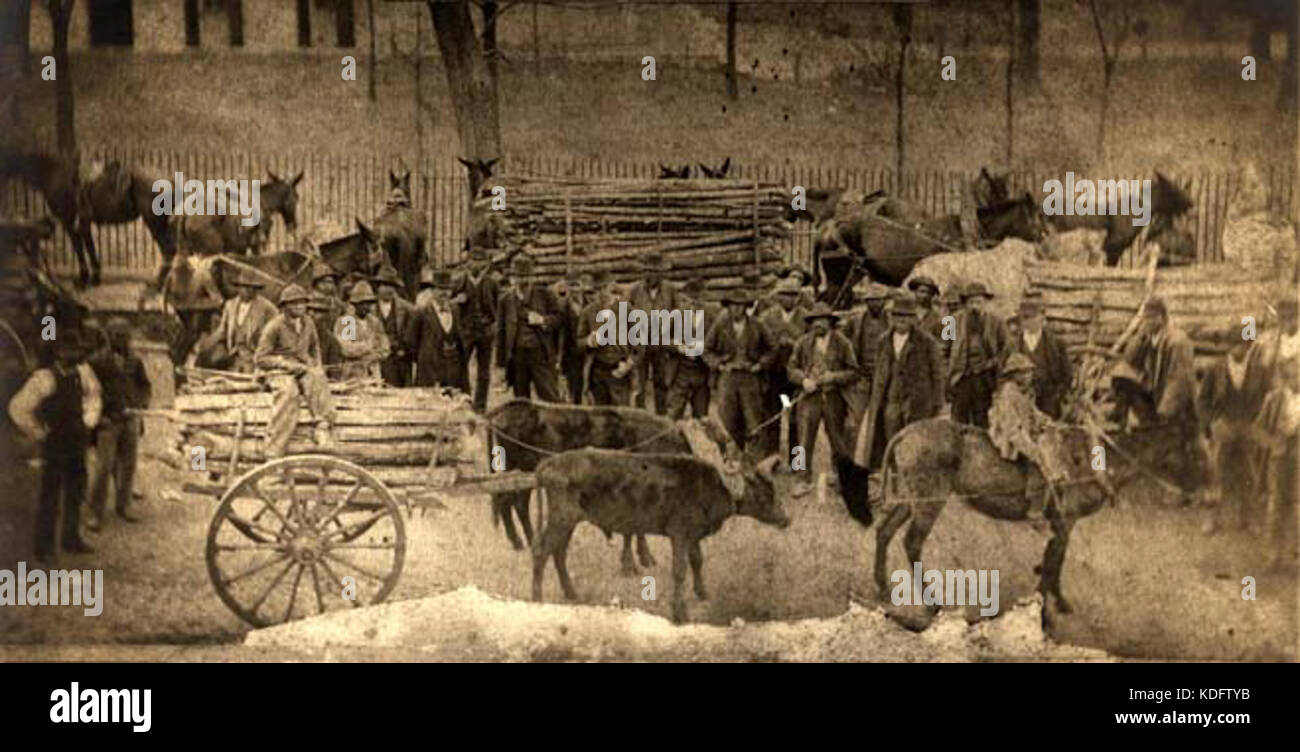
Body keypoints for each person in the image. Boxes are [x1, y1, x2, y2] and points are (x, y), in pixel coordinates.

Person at [8, 327, 102, 561]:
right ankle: (44, 548)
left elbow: (94, 396)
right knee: (50, 497)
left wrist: (89, 420)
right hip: (55, 445)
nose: (76, 354)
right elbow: (17, 408)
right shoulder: (45, 378)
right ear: (59, 352)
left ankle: (71, 538)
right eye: (70, 350)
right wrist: (39, 432)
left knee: (76, 492)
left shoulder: (83, 372)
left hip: (76, 442)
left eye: (78, 349)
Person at [1121, 296, 1207, 502]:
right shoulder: (1152, 339)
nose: (1147, 322)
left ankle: (1202, 490)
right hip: (1164, 399)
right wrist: (1139, 338)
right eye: (1144, 318)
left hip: (1181, 404)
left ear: (1162, 317)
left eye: (1151, 318)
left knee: (1189, 447)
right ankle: (1187, 493)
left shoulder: (1177, 342)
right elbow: (1129, 360)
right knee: (1175, 448)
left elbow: (1179, 379)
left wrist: (1165, 409)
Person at [852, 294, 945, 471]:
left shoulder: (927, 342)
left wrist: (938, 402)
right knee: (890, 440)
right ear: (892, 318)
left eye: (906, 316)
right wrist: (875, 399)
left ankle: (913, 479)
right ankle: (893, 478)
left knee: (915, 442)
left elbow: (938, 374)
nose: (901, 320)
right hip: (890, 401)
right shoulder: (883, 341)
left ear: (913, 319)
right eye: (898, 316)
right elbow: (878, 372)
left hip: (917, 401)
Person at [1199, 333, 1271, 534]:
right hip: (1224, 427)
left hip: (1248, 427)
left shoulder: (1258, 370)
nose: (1238, 349)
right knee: (1215, 473)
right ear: (1228, 345)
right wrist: (1213, 422)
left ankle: (1248, 518)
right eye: (1234, 344)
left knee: (1249, 473)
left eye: (1242, 344)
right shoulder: (1216, 368)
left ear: (1248, 346)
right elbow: (1203, 400)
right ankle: (1212, 518)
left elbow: (1268, 398)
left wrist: (1258, 421)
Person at [254, 284, 336, 458]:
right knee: (288, 392)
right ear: (284, 307)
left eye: (302, 303)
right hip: (277, 371)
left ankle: (321, 427)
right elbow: (260, 359)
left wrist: (316, 365)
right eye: (294, 303)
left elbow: (315, 348)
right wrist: (286, 365)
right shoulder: (274, 326)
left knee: (317, 377)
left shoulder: (308, 323)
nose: (300, 306)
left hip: (303, 369)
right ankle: (274, 449)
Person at [787, 302, 859, 495]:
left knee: (838, 439)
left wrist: (833, 377)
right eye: (814, 321)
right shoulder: (803, 342)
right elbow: (790, 369)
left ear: (830, 322)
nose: (818, 324)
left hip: (834, 397)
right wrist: (803, 380)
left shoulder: (843, 343)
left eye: (823, 320)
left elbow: (853, 372)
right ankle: (801, 479)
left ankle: (841, 477)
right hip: (809, 398)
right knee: (803, 439)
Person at [86, 317, 151, 530]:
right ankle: (94, 512)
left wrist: (140, 405)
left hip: (130, 420)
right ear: (108, 336)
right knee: (104, 467)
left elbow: (145, 386)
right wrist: (99, 417)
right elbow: (89, 394)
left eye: (126, 336)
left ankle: (124, 506)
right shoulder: (96, 362)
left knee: (128, 465)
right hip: (108, 422)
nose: (123, 341)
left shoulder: (135, 361)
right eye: (118, 336)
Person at [988, 353, 1070, 520]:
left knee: (1053, 443)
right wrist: (1030, 448)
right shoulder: (1008, 394)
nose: (1029, 376)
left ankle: (1056, 492)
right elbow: (1012, 428)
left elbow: (1034, 413)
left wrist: (1047, 422)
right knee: (1039, 459)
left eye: (1030, 372)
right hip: (1008, 436)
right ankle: (1034, 510)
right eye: (1024, 372)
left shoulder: (1024, 392)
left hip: (1024, 431)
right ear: (1014, 375)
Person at [703, 278, 779, 453]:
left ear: (746, 307)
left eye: (740, 305)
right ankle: (729, 457)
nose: (736, 309)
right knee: (727, 420)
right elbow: (706, 350)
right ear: (728, 306)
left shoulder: (757, 325)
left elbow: (773, 348)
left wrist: (760, 365)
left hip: (750, 378)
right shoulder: (720, 325)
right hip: (727, 378)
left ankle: (754, 460)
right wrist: (718, 365)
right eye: (733, 305)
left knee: (753, 421)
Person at [497, 254, 563, 401]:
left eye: (526, 276)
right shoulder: (505, 300)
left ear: (532, 277)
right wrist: (501, 364)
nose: (523, 281)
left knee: (550, 396)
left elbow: (559, 319)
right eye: (519, 277)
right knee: (521, 400)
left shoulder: (545, 295)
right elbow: (501, 332)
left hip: (540, 354)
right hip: (517, 356)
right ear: (513, 278)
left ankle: (553, 424)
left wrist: (542, 320)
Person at [1254, 355, 1299, 567]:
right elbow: (1258, 429)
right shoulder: (1274, 399)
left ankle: (1295, 553)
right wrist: (1273, 443)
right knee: (1275, 504)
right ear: (1285, 377)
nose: (1297, 380)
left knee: (1298, 506)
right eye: (1293, 376)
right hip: (1279, 459)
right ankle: (1273, 553)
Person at [948, 281, 1009, 428]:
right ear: (965, 303)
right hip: (960, 378)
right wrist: (948, 375)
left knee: (982, 420)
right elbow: (942, 349)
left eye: (978, 302)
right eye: (971, 302)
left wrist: (991, 363)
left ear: (985, 302)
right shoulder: (950, 321)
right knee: (957, 421)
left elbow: (1006, 350)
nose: (975, 306)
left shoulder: (997, 322)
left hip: (984, 379)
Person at [759, 276, 807, 452]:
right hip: (774, 376)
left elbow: (810, 345)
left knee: (797, 420)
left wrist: (793, 342)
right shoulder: (767, 317)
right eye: (785, 295)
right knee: (772, 417)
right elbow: (759, 344)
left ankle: (797, 463)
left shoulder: (806, 318)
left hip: (796, 377)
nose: (789, 299)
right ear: (778, 297)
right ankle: (772, 460)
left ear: (798, 298)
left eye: (793, 295)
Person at [577, 268, 638, 405]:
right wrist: (588, 341)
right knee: (599, 418)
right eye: (598, 289)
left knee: (620, 416)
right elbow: (578, 343)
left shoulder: (625, 309)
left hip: (619, 370)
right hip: (597, 372)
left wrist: (628, 364)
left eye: (605, 288)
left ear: (612, 287)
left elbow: (639, 343)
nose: (602, 293)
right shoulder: (588, 312)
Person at [198, 268, 276, 372]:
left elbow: (277, 331)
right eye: (244, 286)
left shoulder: (267, 308)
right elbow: (222, 331)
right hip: (234, 357)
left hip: (254, 359)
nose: (247, 290)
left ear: (256, 289)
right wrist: (204, 346)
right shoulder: (230, 305)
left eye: (251, 287)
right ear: (238, 287)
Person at [628, 251, 678, 413]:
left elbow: (677, 315)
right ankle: (640, 418)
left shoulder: (670, 290)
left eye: (655, 271)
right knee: (639, 385)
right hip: (640, 344)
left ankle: (661, 417)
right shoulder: (635, 290)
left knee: (662, 383)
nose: (651, 275)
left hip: (662, 344)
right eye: (648, 271)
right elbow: (626, 316)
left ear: (661, 273)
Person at [453, 247, 501, 412]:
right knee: (461, 366)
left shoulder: (492, 283)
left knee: (484, 371)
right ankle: (464, 400)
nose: (476, 264)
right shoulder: (459, 282)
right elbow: (449, 303)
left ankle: (480, 405)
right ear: (467, 262)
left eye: (480, 260)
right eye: (473, 260)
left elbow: (497, 306)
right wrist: (456, 301)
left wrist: (493, 324)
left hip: (485, 331)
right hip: (465, 331)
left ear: (486, 264)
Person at [1009, 298, 1073, 419]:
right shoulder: (1014, 345)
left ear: (1041, 318)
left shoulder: (1057, 344)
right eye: (1025, 318)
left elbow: (1068, 374)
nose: (1028, 322)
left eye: (1032, 317)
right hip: (1022, 399)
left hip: (1049, 399)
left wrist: (1058, 395)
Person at [406, 268, 467, 389]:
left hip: (452, 369)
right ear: (432, 291)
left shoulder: (455, 310)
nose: (444, 293)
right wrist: (425, 357)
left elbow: (459, 339)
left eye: (447, 289)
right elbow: (411, 342)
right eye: (440, 289)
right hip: (430, 370)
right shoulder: (421, 313)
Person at [663, 278, 715, 418]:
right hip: (680, 371)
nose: (692, 303)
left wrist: (702, 347)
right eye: (689, 299)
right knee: (672, 414)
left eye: (696, 299)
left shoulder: (710, 317)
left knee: (702, 417)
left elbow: (718, 342)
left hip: (702, 372)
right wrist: (680, 347)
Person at [846, 281, 891, 426]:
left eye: (878, 300)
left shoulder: (891, 321)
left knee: (882, 416)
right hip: (862, 375)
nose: (875, 304)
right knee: (858, 417)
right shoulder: (856, 321)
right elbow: (843, 342)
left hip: (885, 375)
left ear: (884, 301)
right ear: (866, 302)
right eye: (872, 301)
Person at [335, 281, 390, 380]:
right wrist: (368, 346)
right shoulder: (348, 321)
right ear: (355, 304)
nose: (366, 307)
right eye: (362, 304)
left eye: (369, 304)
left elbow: (385, 348)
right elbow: (347, 349)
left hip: (373, 372)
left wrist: (372, 356)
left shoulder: (375, 322)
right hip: (353, 373)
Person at [373, 266, 415, 386]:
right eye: (384, 285)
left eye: (391, 286)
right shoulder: (367, 307)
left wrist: (405, 350)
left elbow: (412, 333)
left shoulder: (407, 308)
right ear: (378, 287)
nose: (388, 290)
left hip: (399, 360)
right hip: (376, 359)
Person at [556, 271, 593, 404]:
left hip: (590, 352)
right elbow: (559, 334)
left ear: (583, 285)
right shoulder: (561, 307)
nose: (574, 289)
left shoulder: (591, 305)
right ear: (566, 287)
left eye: (577, 285)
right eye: (571, 286)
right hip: (571, 354)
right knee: (574, 388)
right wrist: (558, 358)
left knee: (592, 389)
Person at [308, 293, 343, 374]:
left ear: (326, 315)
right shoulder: (296, 334)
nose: (312, 314)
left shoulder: (331, 341)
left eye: (317, 312)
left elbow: (334, 372)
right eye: (309, 310)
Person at [907, 275, 943, 343]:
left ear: (932, 296)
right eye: (922, 291)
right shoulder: (907, 312)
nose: (925, 296)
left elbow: (942, 341)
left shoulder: (938, 316)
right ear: (915, 292)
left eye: (928, 293)